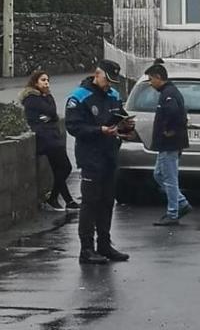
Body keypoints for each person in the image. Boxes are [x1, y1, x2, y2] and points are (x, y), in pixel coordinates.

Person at [65, 60, 134, 265]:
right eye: (107, 80)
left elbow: (119, 118)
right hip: (90, 157)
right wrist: (99, 131)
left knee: (106, 202)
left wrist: (126, 127)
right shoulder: (79, 97)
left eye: (112, 82)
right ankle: (86, 249)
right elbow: (73, 127)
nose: (109, 85)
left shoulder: (113, 96)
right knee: (90, 203)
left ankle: (104, 244)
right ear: (97, 74)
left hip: (110, 155)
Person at [20, 70, 79, 212]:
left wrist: (50, 116)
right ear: (35, 83)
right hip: (45, 138)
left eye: (47, 80)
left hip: (51, 135)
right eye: (43, 80)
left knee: (58, 169)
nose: (46, 83)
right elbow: (49, 112)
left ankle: (68, 201)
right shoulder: (32, 98)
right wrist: (50, 116)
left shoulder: (46, 96)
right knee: (66, 168)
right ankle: (52, 198)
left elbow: (53, 113)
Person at [145, 62, 192, 227]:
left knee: (169, 179)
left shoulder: (168, 94)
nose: (150, 83)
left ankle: (173, 213)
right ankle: (181, 202)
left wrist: (169, 130)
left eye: (151, 79)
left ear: (158, 77)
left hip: (169, 144)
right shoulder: (168, 92)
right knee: (159, 175)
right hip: (166, 145)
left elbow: (174, 113)